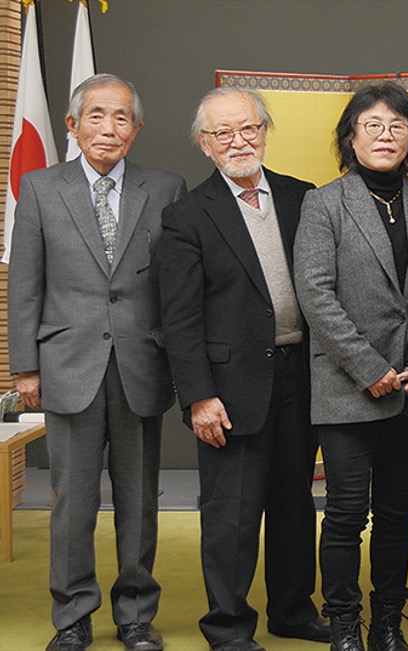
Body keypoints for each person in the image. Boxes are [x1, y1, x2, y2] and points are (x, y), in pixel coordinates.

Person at [7, 73, 184, 651]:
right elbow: (25, 284)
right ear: (72, 124)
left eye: (122, 118)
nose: (109, 128)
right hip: (67, 363)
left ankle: (135, 614)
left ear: (136, 128)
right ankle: (73, 616)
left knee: (138, 503)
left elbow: (177, 286)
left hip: (141, 364)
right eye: (98, 116)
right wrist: (25, 366)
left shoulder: (165, 188)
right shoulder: (38, 188)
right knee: (72, 505)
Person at [157, 87, 327, 651]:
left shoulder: (303, 198)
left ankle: (293, 609)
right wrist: (198, 396)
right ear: (205, 145)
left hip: (301, 374)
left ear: (264, 129)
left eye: (248, 128)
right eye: (223, 133)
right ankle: (227, 626)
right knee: (230, 516)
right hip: (228, 388)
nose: (238, 141)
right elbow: (178, 319)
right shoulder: (185, 216)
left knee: (294, 504)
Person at [293, 82, 408, 651]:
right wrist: (368, 366)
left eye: (397, 126)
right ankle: (345, 623)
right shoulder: (324, 203)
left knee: (398, 516)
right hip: (349, 386)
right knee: (347, 514)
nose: (385, 135)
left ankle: (390, 623)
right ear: (351, 136)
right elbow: (315, 294)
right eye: (372, 125)